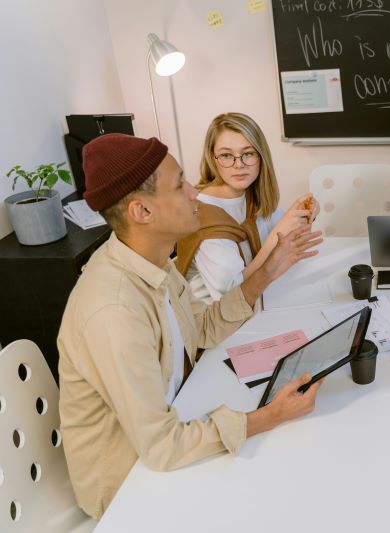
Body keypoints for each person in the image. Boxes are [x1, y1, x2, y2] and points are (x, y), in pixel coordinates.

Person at [57, 134, 323, 519]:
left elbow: (199, 330)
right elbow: (163, 448)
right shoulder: (115, 311)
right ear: (142, 212)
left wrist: (268, 271)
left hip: (174, 420)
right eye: (180, 183)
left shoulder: (154, 260)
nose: (195, 191)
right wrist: (271, 415)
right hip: (128, 485)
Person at [176, 112, 320, 305]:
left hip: (261, 301)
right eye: (227, 155)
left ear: (261, 156)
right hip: (215, 321)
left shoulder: (251, 195)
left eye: (248, 153)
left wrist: (301, 215)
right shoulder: (202, 213)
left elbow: (287, 242)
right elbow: (231, 295)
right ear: (213, 159)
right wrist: (279, 233)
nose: (239, 165)